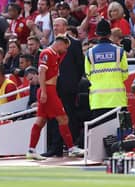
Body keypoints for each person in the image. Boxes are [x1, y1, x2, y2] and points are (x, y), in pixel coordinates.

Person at [26, 35, 84, 160]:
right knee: (63, 119)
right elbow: (41, 72)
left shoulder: (55, 54)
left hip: (48, 89)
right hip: (48, 90)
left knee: (40, 121)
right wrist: (44, 92)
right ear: (60, 44)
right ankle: (71, 148)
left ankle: (31, 149)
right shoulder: (47, 53)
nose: (66, 51)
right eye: (65, 47)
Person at [42, 17, 85, 157]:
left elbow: (80, 66)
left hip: (68, 86)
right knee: (54, 117)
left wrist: (73, 82)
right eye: (53, 25)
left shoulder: (75, 44)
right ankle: (56, 148)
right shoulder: (50, 44)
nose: (55, 28)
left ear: (65, 27)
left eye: (58, 25)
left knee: (69, 116)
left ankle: (72, 146)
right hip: (53, 86)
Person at [85, 18, 128, 121]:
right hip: (117, 100)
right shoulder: (120, 51)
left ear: (96, 34)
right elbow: (125, 75)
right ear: (110, 34)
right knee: (118, 135)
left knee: (100, 134)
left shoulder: (89, 53)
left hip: (98, 101)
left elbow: (88, 75)